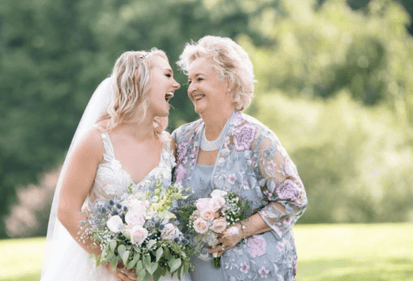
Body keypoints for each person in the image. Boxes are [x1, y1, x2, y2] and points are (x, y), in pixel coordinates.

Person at [172, 36, 308, 281]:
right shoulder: (182, 139)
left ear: (229, 82)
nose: (191, 88)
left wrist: (240, 230)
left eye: (200, 79)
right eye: (190, 80)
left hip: (253, 272)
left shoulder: (257, 138)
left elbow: (293, 198)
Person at [41, 49, 183, 281]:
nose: (176, 84)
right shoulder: (96, 141)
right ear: (140, 77)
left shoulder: (169, 146)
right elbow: (67, 209)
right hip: (101, 270)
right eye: (167, 75)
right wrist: (109, 260)